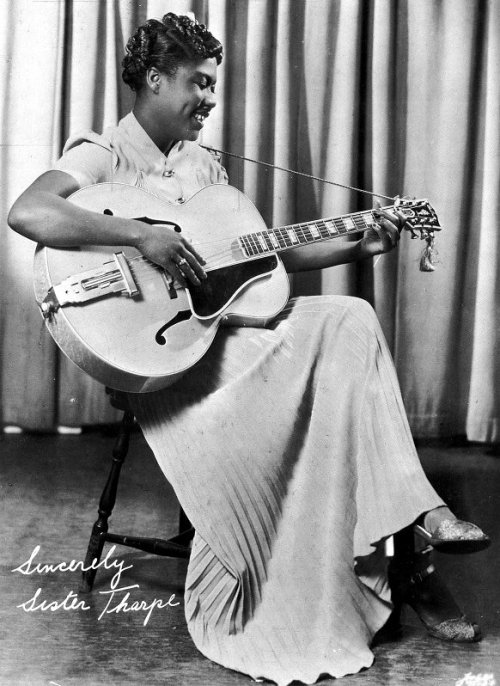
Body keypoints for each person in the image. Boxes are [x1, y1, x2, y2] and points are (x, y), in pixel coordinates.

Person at [8, 13, 490, 686]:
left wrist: (364, 238)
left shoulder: (206, 165)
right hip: (164, 358)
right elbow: (28, 213)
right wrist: (138, 235)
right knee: (306, 380)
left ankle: (412, 526)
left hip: (227, 333)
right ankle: (402, 559)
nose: (209, 98)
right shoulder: (101, 152)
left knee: (348, 320)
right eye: (197, 84)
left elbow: (258, 261)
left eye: (213, 85)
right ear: (154, 79)